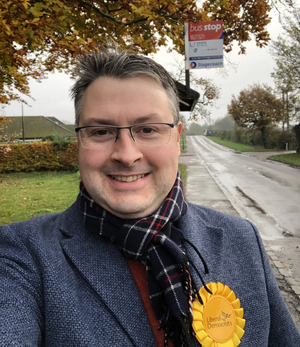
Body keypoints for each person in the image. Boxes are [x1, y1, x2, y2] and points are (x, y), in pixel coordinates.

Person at [0, 45, 299, 347]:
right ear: (79, 142)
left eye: (147, 129)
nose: (127, 155)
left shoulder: (242, 239)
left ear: (177, 139)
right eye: (101, 132)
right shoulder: (22, 256)